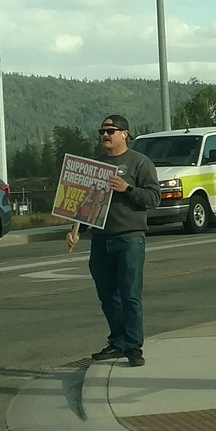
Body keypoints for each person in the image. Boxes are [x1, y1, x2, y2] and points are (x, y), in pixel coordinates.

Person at [66, 114, 159, 367]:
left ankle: (133, 347)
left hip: (129, 238)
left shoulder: (139, 163)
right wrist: (77, 231)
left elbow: (153, 199)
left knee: (130, 295)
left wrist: (127, 188)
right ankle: (117, 341)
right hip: (101, 240)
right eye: (102, 132)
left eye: (110, 131)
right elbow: (86, 206)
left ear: (125, 134)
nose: (105, 135)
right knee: (108, 296)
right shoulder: (96, 167)